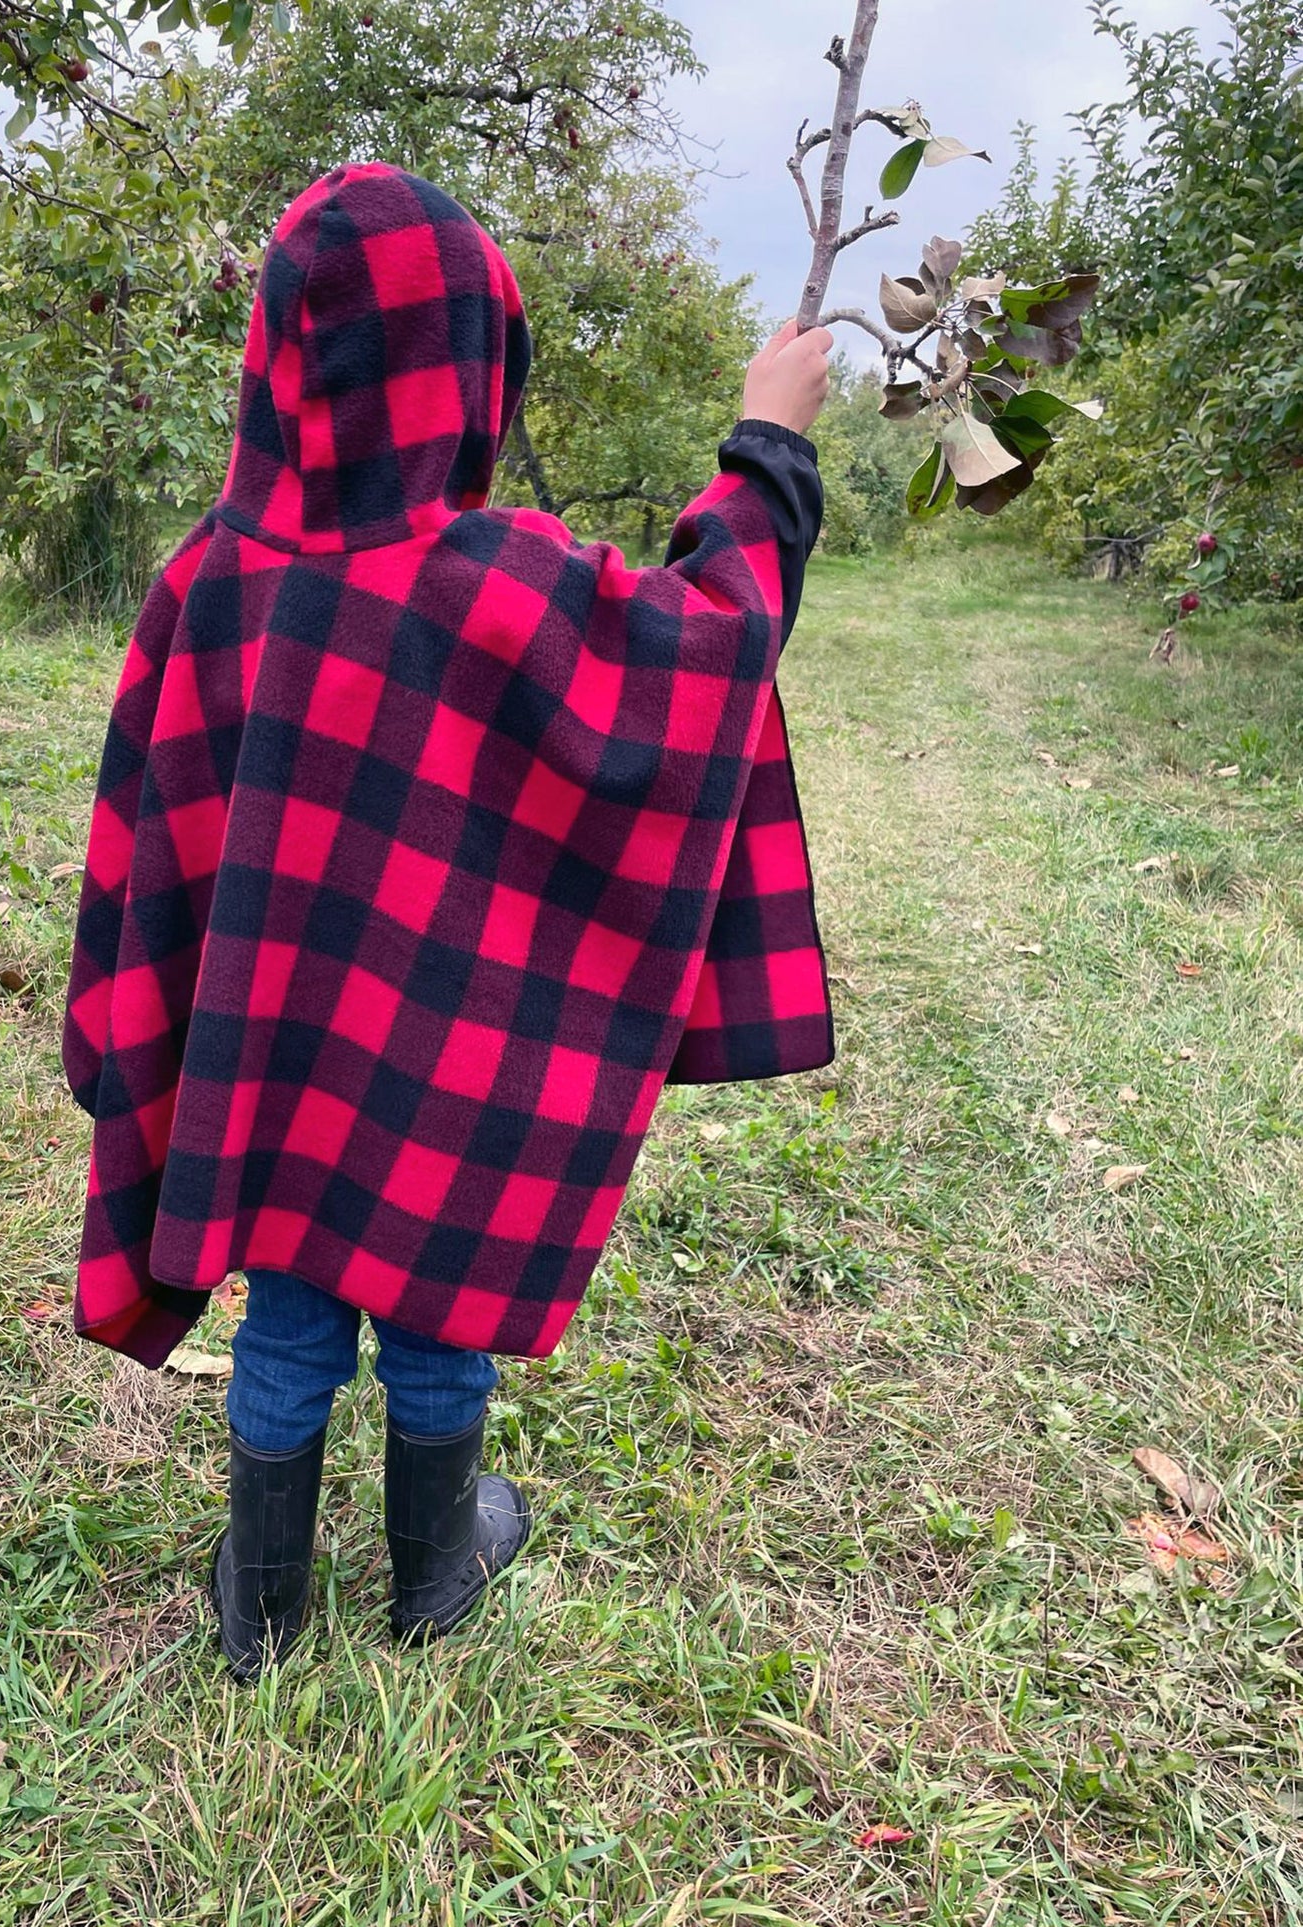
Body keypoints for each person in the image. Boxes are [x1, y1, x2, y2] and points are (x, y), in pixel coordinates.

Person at [62, 164, 834, 1679]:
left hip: (271, 1065)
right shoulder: (502, 579)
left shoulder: (204, 584)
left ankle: (261, 1606)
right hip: (432, 1066)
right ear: (469, 362)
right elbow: (711, 641)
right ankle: (431, 1577)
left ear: (285, 354)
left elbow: (149, 849)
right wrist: (769, 444)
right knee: (430, 1300)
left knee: (285, 1294)